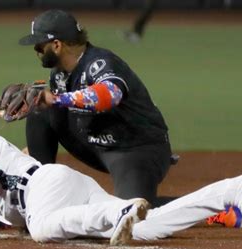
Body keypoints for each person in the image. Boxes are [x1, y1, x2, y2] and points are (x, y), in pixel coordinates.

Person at [0, 95, 242, 243]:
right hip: (56, 185)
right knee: (144, 229)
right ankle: (233, 191)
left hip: (42, 192)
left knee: (42, 229)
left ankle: (119, 209)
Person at [18, 9, 173, 206]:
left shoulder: (99, 62)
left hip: (136, 148)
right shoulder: (59, 73)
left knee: (131, 212)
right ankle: (41, 193)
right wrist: (31, 153)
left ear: (56, 45)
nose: (36, 51)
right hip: (97, 140)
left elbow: (111, 94)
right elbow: (54, 113)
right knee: (39, 108)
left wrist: (57, 99)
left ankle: (209, 210)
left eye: (39, 46)